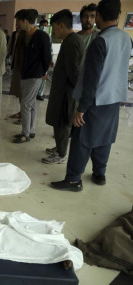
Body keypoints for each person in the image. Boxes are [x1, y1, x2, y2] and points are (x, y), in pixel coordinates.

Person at [51, 0, 131, 191]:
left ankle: (73, 180)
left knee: (81, 140)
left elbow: (92, 79)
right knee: (104, 138)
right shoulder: (126, 38)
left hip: (96, 100)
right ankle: (99, 173)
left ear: (99, 17)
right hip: (114, 99)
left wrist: (81, 108)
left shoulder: (100, 42)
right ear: (119, 16)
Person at [42, 9, 85, 164]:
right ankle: (59, 148)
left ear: (61, 26)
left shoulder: (72, 42)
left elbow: (74, 72)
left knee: (62, 123)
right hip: (63, 90)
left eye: (53, 27)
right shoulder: (70, 40)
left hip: (66, 93)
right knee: (58, 122)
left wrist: (72, 94)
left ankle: (61, 155)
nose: (53, 31)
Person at [13, 9, 52, 143]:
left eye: (18, 21)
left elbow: (47, 58)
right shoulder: (24, 35)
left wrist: (43, 73)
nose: (17, 24)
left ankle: (25, 134)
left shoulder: (42, 36)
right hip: (24, 73)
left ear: (24, 21)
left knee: (25, 104)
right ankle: (31, 130)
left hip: (35, 75)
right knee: (32, 103)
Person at [7, 9, 27, 121]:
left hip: (25, 69)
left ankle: (25, 115)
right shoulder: (15, 34)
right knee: (19, 92)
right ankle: (21, 112)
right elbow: (8, 49)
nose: (17, 24)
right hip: (16, 66)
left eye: (18, 22)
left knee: (25, 94)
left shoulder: (28, 35)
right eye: (16, 22)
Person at [36, 19, 52, 101]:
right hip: (37, 60)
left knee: (44, 77)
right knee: (36, 76)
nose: (44, 27)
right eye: (43, 26)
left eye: (46, 26)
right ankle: (34, 92)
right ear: (39, 26)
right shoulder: (36, 35)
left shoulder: (48, 36)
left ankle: (40, 93)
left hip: (45, 60)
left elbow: (50, 49)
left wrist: (50, 59)